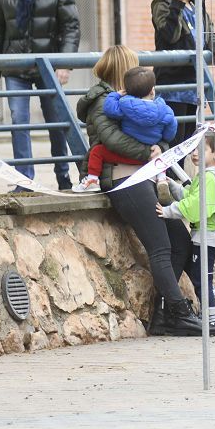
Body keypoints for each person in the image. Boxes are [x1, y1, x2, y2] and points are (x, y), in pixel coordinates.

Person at [77, 46, 201, 336]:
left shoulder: (133, 100)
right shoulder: (105, 100)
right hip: (124, 179)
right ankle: (178, 312)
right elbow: (110, 138)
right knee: (160, 246)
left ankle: (163, 314)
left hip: (143, 176)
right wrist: (149, 151)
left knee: (180, 241)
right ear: (124, 70)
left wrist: (159, 147)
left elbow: (155, 131)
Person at [0, 0, 81, 192]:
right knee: (20, 120)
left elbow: (71, 26)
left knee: (56, 121)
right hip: (15, 66)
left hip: (48, 66)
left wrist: (64, 64)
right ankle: (24, 181)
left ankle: (63, 177)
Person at [156, 132, 215, 336]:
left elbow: (194, 205)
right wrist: (173, 185)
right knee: (201, 273)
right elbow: (190, 196)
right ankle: (212, 308)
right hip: (211, 233)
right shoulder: (211, 175)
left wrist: (167, 211)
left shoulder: (209, 178)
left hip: (207, 235)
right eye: (193, 150)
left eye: (202, 150)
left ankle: (211, 317)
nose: (195, 154)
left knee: (201, 278)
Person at [152, 0, 215, 149]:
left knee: (187, 144)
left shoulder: (197, 6)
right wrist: (177, 4)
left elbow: (208, 34)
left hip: (194, 88)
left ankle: (181, 179)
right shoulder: (162, 4)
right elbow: (170, 35)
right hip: (172, 89)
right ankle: (169, 179)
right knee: (172, 144)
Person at [73, 66, 177, 193]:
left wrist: (115, 95)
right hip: (152, 155)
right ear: (152, 91)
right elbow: (170, 133)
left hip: (126, 154)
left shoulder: (125, 106)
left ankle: (92, 180)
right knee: (162, 156)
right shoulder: (166, 110)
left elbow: (109, 109)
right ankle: (161, 179)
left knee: (97, 151)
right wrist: (159, 144)